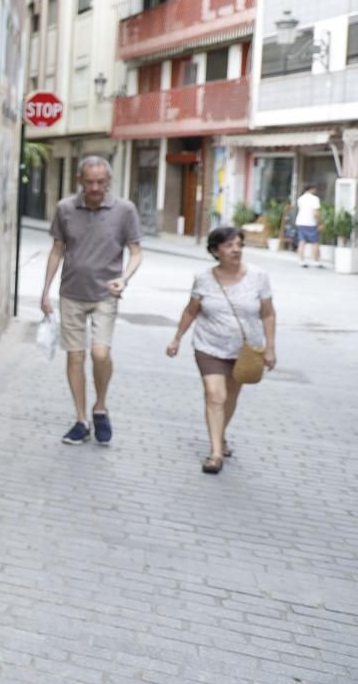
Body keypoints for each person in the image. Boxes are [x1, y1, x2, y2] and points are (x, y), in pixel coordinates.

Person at [40, 156, 144, 446]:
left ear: (109, 180)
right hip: (71, 292)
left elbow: (135, 252)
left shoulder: (125, 210)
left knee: (100, 353)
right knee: (75, 356)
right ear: (79, 181)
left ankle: (101, 405)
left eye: (101, 182)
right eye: (90, 182)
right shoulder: (65, 209)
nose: (96, 187)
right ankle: (81, 419)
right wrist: (45, 291)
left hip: (105, 294)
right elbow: (57, 250)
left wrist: (125, 278)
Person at [166, 226, 276, 473]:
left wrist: (270, 348)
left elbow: (268, 314)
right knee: (216, 395)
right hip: (209, 346)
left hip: (245, 351)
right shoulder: (203, 278)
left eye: (239, 244)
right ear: (215, 251)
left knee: (231, 397)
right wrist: (177, 338)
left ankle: (220, 435)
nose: (236, 250)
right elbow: (191, 310)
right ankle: (215, 453)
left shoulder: (259, 276)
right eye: (229, 245)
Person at [295, 183, 323, 268]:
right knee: (315, 242)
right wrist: (320, 222)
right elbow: (315, 213)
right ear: (311, 189)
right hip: (311, 223)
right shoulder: (315, 199)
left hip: (300, 222)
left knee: (302, 242)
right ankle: (316, 261)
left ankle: (301, 260)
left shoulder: (300, 199)